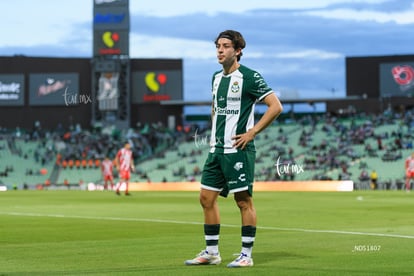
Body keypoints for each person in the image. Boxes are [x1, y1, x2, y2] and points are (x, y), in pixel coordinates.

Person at [185, 30, 283, 268]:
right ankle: (211, 252)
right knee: (206, 198)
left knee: (243, 201)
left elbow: (275, 106)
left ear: (238, 50)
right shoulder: (215, 78)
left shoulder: (249, 77)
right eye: (218, 46)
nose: (220, 50)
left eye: (226, 46)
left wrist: (252, 132)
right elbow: (215, 108)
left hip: (238, 150)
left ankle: (246, 255)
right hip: (216, 150)